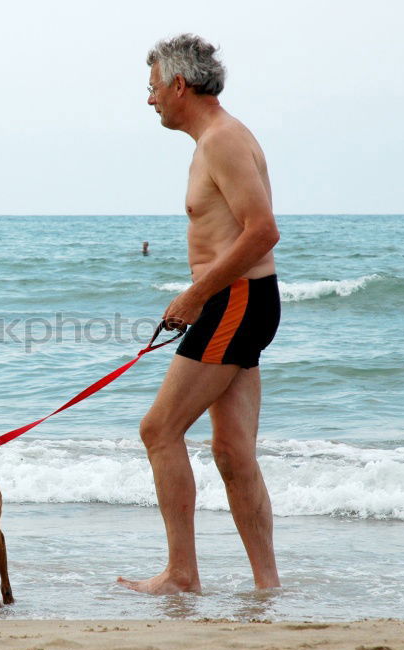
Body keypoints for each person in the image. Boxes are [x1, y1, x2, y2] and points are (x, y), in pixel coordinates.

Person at [117, 34, 282, 594]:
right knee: (232, 450)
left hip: (234, 300)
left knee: (158, 429)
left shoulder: (222, 142)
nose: (150, 100)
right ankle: (267, 585)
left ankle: (182, 575)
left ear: (178, 85)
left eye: (152, 88)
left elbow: (263, 232)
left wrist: (194, 296)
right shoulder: (217, 139)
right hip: (243, 301)